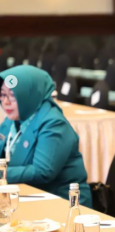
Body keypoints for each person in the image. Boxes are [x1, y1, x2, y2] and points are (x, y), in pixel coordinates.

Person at [0, 66, 91, 206]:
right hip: (26, 197)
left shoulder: (54, 124)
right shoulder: (12, 120)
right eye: (2, 94)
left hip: (63, 204)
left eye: (13, 96)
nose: (5, 102)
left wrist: (2, 173)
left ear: (30, 94)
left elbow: (43, 171)